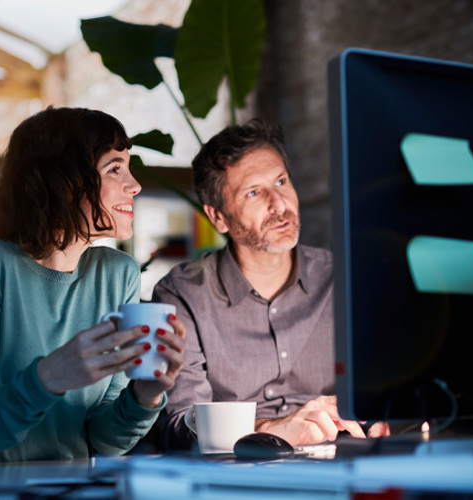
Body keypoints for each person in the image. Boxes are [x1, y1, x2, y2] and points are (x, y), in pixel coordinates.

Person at [0, 107, 186, 464]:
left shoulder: (118, 274)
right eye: (115, 169)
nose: (135, 185)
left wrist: (145, 396)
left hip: (68, 488)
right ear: (65, 182)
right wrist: (49, 376)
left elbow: (105, 441)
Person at [152, 118, 387, 451]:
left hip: (345, 465)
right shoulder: (182, 296)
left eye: (281, 181)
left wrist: (386, 417)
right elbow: (178, 427)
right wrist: (276, 430)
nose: (279, 205)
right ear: (218, 216)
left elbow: (389, 389)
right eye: (254, 192)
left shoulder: (344, 279)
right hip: (237, 476)